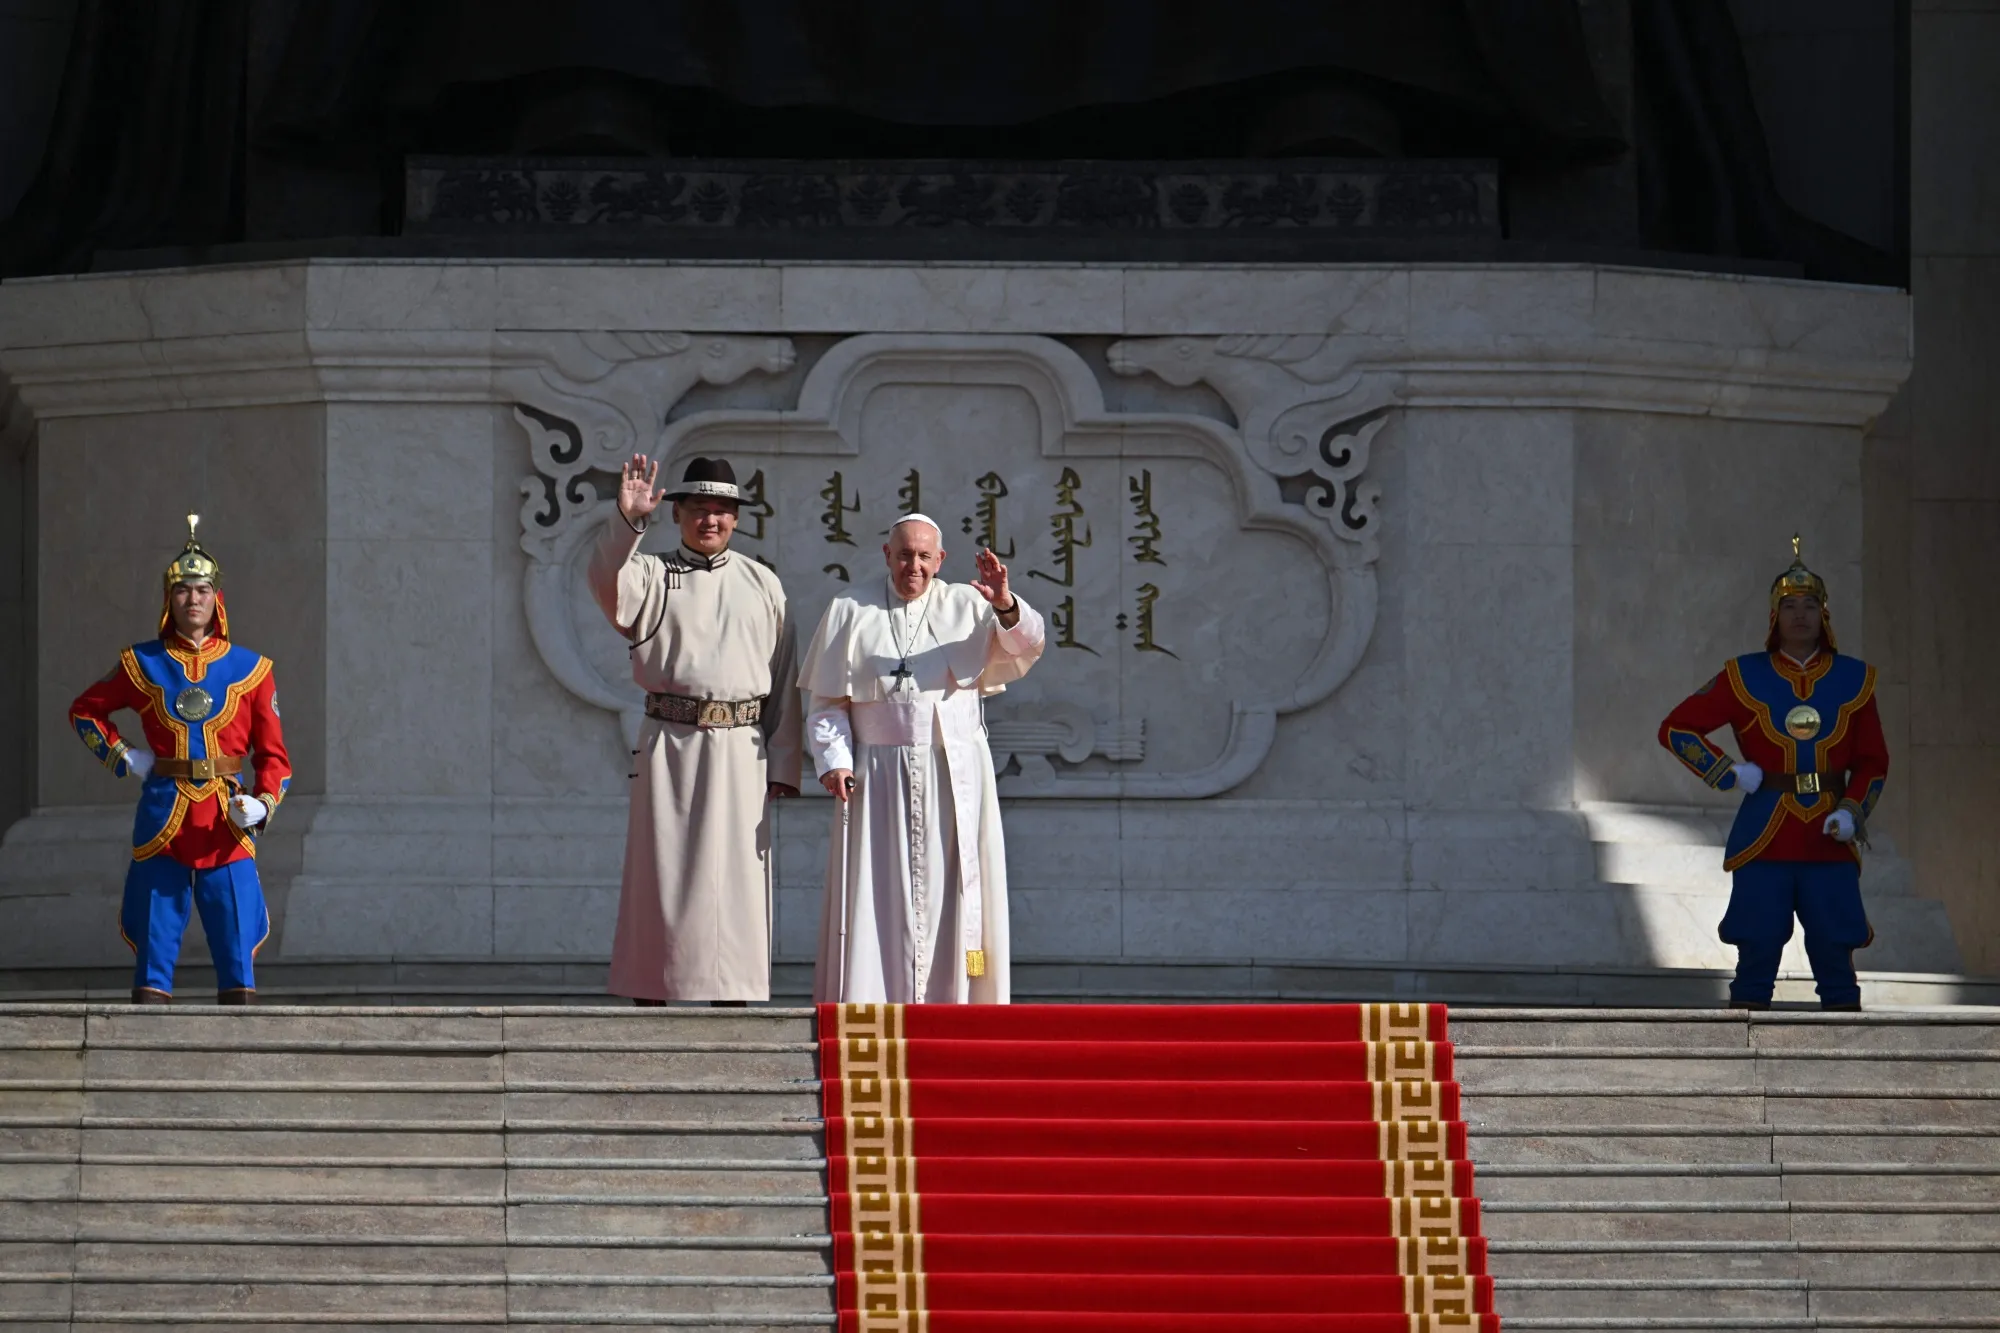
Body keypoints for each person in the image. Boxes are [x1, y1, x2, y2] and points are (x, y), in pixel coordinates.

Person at [799, 514, 1045, 1004]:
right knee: (876, 893)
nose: (914, 565)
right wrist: (835, 760)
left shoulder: (969, 605)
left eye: (924, 556)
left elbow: (1028, 645)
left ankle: (956, 1002)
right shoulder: (850, 608)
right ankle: (872, 1002)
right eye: (905, 554)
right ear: (887, 554)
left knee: (951, 891)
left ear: (941, 560)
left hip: (953, 773)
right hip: (876, 777)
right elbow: (827, 704)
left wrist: (1006, 604)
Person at [589, 455, 802, 1006]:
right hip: (670, 741)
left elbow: (784, 679)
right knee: (663, 870)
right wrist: (628, 522)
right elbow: (605, 582)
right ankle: (652, 990)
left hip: (741, 747)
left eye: (722, 511)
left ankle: (734, 994)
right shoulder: (650, 573)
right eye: (699, 510)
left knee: (736, 877)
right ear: (677, 513)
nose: (711, 521)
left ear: (736, 518)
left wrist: (784, 763)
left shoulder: (764, 583)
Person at [67, 516, 292, 1005]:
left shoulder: (253, 670)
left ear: (217, 599)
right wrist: (124, 756)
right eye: (184, 590)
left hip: (226, 823)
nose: (194, 599)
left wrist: (264, 804)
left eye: (203, 589)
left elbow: (275, 757)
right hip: (163, 816)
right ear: (169, 599)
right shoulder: (140, 662)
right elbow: (85, 712)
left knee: (237, 961)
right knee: (152, 959)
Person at [1657, 537, 1889, 1011]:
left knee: (1836, 952)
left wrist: (1852, 811)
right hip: (1765, 833)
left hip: (1829, 834)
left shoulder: (1854, 679)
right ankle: (1741, 1065)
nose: (1799, 615)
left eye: (1808, 605)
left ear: (1823, 615)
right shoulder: (1743, 676)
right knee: (1756, 949)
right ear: (1774, 616)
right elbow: (1677, 728)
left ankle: (1847, 1066)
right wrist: (1728, 772)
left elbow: (1873, 762)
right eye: (1789, 606)